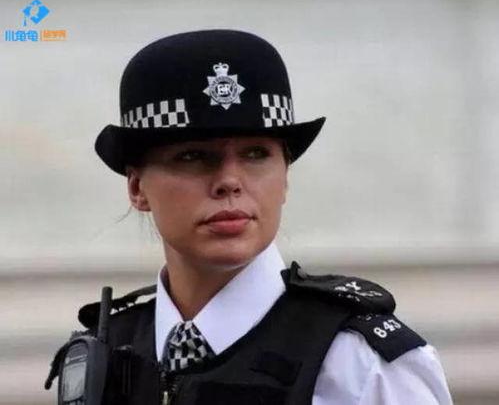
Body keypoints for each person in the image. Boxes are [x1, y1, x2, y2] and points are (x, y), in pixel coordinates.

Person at [47, 29, 453, 404]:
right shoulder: (105, 357)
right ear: (137, 188)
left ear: (285, 176)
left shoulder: (357, 365)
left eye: (256, 154)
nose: (229, 181)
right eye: (193, 156)